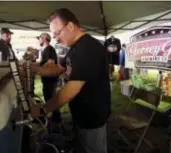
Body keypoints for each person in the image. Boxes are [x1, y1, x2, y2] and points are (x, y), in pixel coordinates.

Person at [31, 8, 111, 153]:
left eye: (57, 33)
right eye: (53, 34)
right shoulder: (74, 48)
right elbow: (59, 68)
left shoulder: (87, 48)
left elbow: (72, 88)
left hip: (92, 117)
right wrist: (35, 69)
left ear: (70, 26)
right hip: (81, 114)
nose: (55, 38)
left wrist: (44, 109)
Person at [36, 32, 62, 123]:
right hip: (48, 78)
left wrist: (38, 69)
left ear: (44, 38)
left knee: (50, 97)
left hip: (50, 79)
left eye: (39, 38)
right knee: (49, 97)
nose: (39, 40)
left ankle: (55, 119)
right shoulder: (46, 49)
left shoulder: (49, 49)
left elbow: (50, 63)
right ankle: (54, 118)